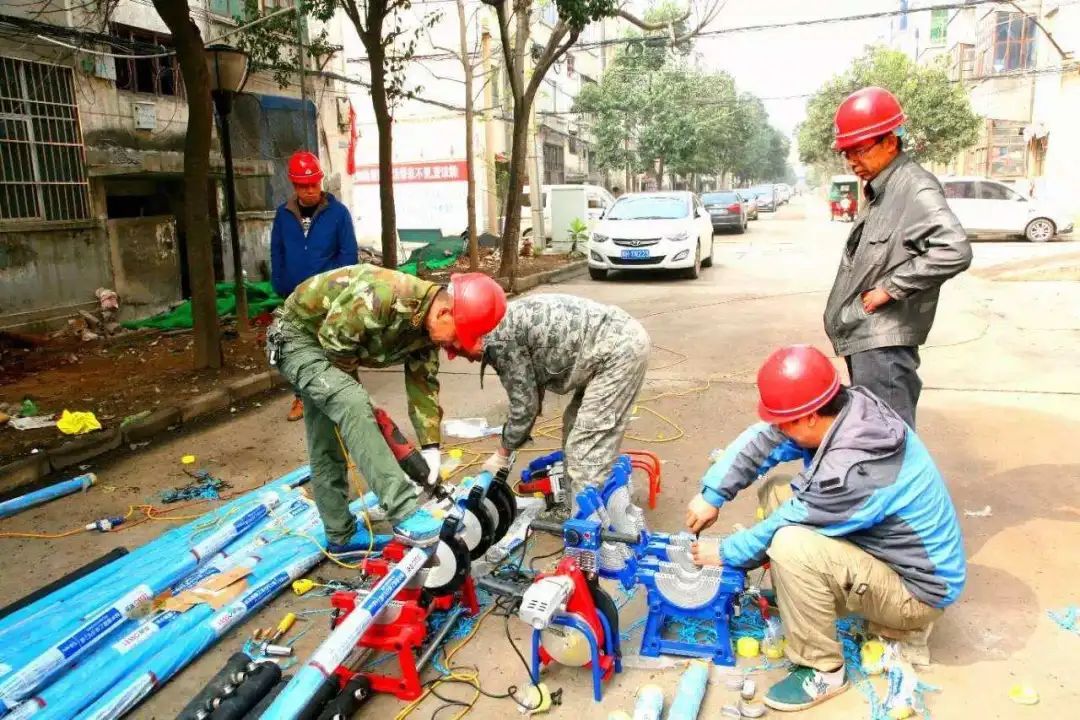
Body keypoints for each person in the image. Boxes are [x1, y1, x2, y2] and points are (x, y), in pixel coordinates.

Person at [685, 345, 965, 712]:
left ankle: (823, 670)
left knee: (789, 544)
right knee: (778, 490)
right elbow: (765, 439)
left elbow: (785, 524)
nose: (780, 429)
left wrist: (722, 553)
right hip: (887, 550)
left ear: (812, 417)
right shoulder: (847, 407)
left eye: (787, 422)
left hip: (917, 591)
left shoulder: (852, 469)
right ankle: (802, 595)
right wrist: (713, 494)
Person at [267, 265, 506, 551]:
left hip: (329, 346)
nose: (453, 350)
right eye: (456, 339)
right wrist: (369, 411)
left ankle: (339, 536)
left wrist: (430, 450)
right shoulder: (382, 295)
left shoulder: (427, 328)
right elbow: (334, 348)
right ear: (444, 313)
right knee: (354, 404)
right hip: (299, 339)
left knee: (326, 441)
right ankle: (404, 512)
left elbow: (423, 387)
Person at [825, 86, 972, 427]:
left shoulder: (914, 187)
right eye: (846, 153)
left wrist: (889, 288)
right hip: (867, 340)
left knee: (889, 442)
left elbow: (954, 248)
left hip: (884, 347)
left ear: (890, 141)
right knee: (875, 438)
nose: (852, 161)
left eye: (858, 150)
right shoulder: (883, 188)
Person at [477, 294, 651, 501]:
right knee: (573, 423)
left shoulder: (498, 340)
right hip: (611, 343)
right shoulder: (494, 323)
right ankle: (574, 507)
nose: (453, 355)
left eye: (453, 346)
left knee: (584, 447)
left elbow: (525, 407)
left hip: (618, 351)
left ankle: (587, 524)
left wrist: (502, 455)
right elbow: (531, 389)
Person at [271, 151, 359, 422]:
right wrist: (282, 285)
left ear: (320, 182)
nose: (309, 191)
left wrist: (338, 289)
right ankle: (301, 398)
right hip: (295, 297)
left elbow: (348, 254)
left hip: (329, 297)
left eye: (313, 184)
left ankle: (342, 397)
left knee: (334, 346)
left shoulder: (338, 214)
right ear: (294, 185)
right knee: (299, 348)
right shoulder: (283, 215)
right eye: (302, 186)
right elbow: (278, 252)